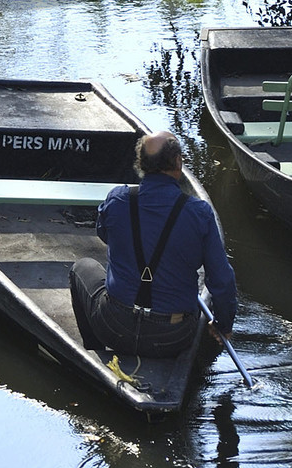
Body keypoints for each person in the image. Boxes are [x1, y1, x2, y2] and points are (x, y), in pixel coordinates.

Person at [70, 130, 238, 361]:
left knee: (83, 267)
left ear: (141, 165)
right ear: (178, 162)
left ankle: (96, 352)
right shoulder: (199, 213)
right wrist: (223, 325)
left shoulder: (118, 199)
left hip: (114, 328)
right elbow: (222, 281)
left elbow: (104, 234)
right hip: (172, 337)